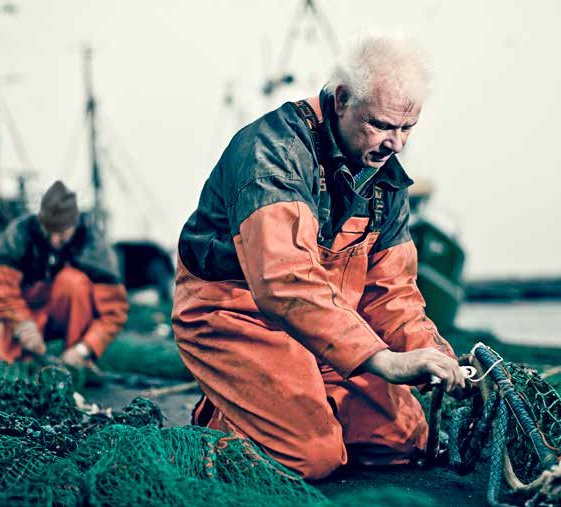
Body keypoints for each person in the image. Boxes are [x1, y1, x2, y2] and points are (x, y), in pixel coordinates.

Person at [172, 35, 465, 480]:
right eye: (384, 125)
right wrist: (381, 359)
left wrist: (436, 356)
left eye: (408, 129)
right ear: (342, 98)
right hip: (240, 318)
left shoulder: (384, 175)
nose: (397, 145)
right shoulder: (270, 150)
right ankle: (221, 415)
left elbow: (393, 292)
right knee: (311, 457)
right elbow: (283, 281)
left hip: (328, 328)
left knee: (406, 441)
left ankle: (296, 400)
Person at [0, 180, 128, 368]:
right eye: (49, 230)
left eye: (61, 232)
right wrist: (23, 326)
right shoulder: (20, 233)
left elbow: (114, 312)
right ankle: (28, 348)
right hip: (29, 312)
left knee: (73, 283)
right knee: (1, 357)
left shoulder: (92, 244)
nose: (55, 240)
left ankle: (77, 361)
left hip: (73, 317)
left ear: (74, 223)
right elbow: (3, 289)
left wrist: (84, 348)